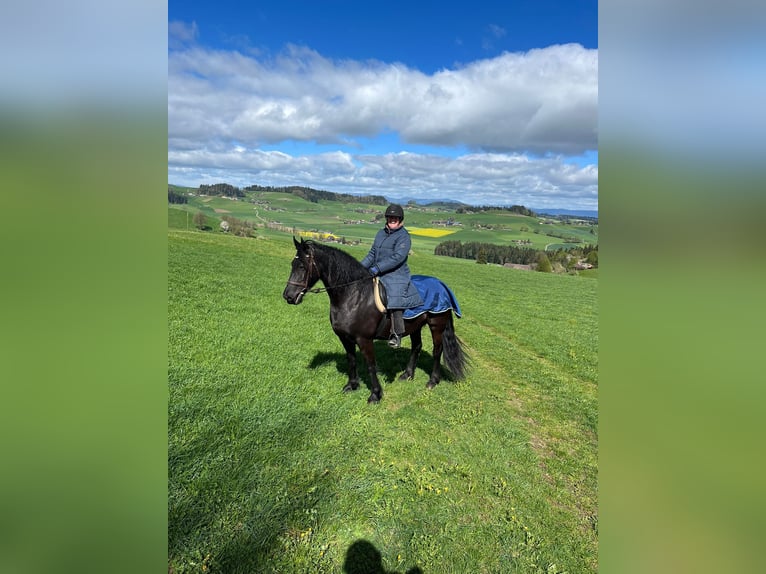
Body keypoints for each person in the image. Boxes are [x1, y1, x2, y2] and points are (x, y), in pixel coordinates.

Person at [360, 204, 424, 348]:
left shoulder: (404, 237)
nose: (392, 220)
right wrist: (359, 268)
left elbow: (398, 257)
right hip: (378, 270)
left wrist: (377, 268)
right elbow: (372, 254)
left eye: (395, 218)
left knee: (394, 294)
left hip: (396, 273)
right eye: (390, 217)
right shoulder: (380, 233)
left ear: (400, 219)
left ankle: (396, 333)